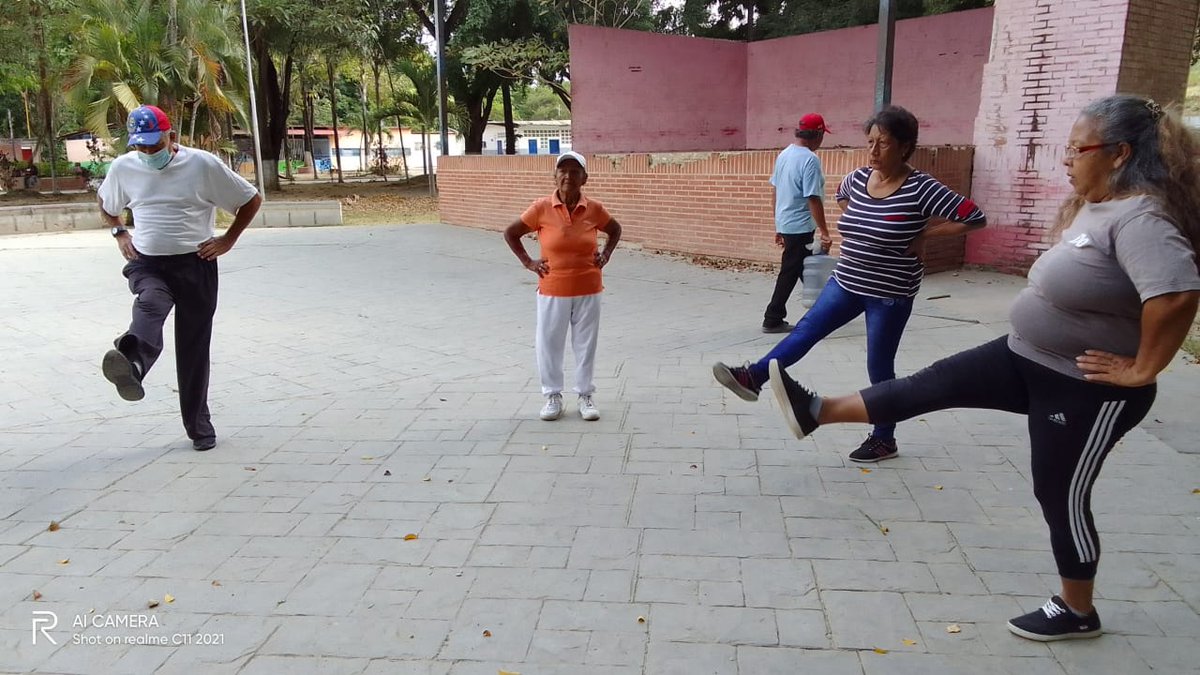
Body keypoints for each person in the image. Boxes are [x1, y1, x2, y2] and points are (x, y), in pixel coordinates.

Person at [764, 95, 1200, 642]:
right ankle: (816, 411)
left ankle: (1077, 609)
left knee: (1059, 492)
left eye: (1075, 148)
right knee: (931, 384)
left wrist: (1142, 369)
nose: (1065, 159)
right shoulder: (1099, 205)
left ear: (1119, 153)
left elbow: (1176, 295)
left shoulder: (1142, 217)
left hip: (1084, 386)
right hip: (1025, 355)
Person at [714, 105, 986, 462]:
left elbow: (974, 217)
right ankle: (753, 378)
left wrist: (925, 232)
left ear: (905, 147)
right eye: (869, 142)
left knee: (879, 365)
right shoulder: (857, 179)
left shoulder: (921, 188)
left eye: (883, 144)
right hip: (846, 281)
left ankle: (885, 438)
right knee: (804, 332)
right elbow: (843, 198)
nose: (873, 151)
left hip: (890, 293)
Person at [98, 105, 262, 451]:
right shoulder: (123, 167)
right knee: (150, 302)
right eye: (140, 147)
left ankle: (199, 427)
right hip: (148, 262)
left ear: (171, 136)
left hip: (195, 264)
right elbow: (107, 205)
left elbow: (250, 199)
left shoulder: (202, 164)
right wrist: (120, 234)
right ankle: (131, 362)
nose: (146, 153)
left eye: (153, 146)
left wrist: (227, 239)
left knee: (193, 347)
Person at [504, 151, 622, 421]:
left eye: (575, 171)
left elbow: (615, 230)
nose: (568, 176)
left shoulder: (594, 209)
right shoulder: (541, 208)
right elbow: (511, 233)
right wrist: (529, 262)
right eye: (562, 171)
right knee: (549, 343)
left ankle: (585, 395)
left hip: (589, 287)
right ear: (555, 177)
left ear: (585, 178)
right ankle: (552, 396)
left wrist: (605, 255)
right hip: (552, 288)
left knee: (585, 344)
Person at [762, 113, 834, 333]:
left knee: (806, 269)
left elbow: (775, 190)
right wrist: (824, 230)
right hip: (801, 226)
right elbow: (813, 197)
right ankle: (772, 318)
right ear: (818, 134)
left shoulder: (785, 154)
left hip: (787, 223)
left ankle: (825, 312)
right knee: (791, 271)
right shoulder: (809, 159)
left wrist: (778, 225)